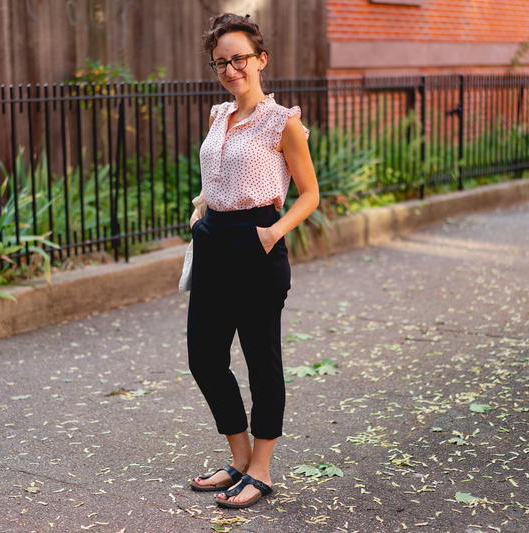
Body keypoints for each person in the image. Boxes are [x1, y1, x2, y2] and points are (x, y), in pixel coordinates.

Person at [186, 12, 319, 509]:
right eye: (221, 62)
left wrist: (272, 232)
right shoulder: (219, 116)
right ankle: (239, 457)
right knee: (204, 357)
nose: (230, 69)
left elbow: (310, 194)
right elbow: (219, 176)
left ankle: (260, 470)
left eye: (239, 59)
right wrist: (202, 210)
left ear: (261, 59)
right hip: (214, 242)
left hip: (256, 243)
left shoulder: (283, 121)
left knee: (262, 361)